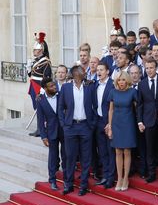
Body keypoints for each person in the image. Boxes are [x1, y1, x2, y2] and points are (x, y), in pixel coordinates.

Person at [58, 65, 96, 196]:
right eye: (81, 72)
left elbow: (95, 106)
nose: (84, 73)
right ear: (75, 74)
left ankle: (83, 186)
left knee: (86, 158)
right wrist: (64, 124)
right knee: (70, 158)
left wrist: (92, 124)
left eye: (83, 71)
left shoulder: (90, 87)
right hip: (71, 127)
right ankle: (68, 185)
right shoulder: (66, 88)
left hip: (86, 126)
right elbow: (60, 108)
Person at [106, 71, 138, 191]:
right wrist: (110, 127)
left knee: (127, 151)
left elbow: (137, 109)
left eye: (123, 80)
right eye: (119, 80)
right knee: (118, 151)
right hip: (116, 124)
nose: (121, 82)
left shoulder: (133, 92)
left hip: (128, 124)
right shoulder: (113, 92)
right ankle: (119, 178)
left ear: (127, 81)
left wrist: (139, 123)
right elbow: (111, 110)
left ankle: (126, 178)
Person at [36, 77, 66, 191]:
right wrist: (43, 136)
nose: (54, 87)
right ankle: (52, 180)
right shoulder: (40, 100)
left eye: (55, 85)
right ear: (45, 88)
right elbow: (40, 119)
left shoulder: (61, 95)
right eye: (51, 86)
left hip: (63, 130)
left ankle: (67, 180)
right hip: (51, 131)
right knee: (53, 156)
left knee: (66, 155)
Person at [136, 59, 158, 183]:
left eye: (151, 68)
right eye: (147, 68)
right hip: (147, 120)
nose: (149, 70)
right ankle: (151, 173)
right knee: (149, 148)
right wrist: (140, 121)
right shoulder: (141, 84)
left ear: (156, 68)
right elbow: (139, 104)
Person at [93, 62, 115, 189]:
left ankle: (111, 178)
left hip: (109, 122)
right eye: (97, 70)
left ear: (107, 71)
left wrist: (110, 123)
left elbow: (114, 106)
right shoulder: (95, 85)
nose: (99, 72)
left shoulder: (112, 84)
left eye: (101, 70)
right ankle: (105, 176)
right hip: (98, 121)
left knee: (110, 151)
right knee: (102, 151)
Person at [28, 32, 52, 137]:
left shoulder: (45, 61)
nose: (34, 51)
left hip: (39, 86)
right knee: (36, 107)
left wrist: (43, 89)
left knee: (41, 108)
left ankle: (42, 128)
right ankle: (40, 128)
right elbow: (31, 75)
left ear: (41, 50)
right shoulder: (36, 61)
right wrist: (29, 68)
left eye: (36, 50)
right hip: (33, 84)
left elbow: (46, 77)